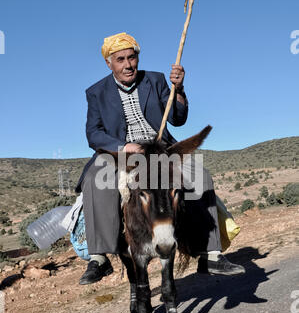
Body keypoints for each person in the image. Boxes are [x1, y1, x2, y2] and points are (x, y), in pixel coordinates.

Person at [76, 32, 244, 285]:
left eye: (131, 58)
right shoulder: (96, 92)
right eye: (120, 59)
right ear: (109, 63)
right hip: (119, 152)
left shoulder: (155, 81)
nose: (128, 64)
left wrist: (179, 89)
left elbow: (177, 117)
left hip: (159, 148)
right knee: (93, 179)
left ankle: (210, 254)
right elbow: (93, 134)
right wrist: (122, 146)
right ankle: (99, 257)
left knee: (200, 175)